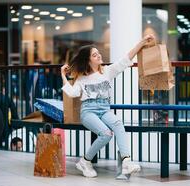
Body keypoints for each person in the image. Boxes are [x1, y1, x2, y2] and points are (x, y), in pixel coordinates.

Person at [61, 34, 155, 178]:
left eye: (98, 53)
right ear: (88, 60)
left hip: (104, 109)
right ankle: (85, 161)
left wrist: (142, 42)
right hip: (88, 111)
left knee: (118, 123)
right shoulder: (81, 78)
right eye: (94, 55)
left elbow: (126, 58)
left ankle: (126, 162)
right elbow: (73, 93)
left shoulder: (107, 71)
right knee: (105, 134)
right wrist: (63, 75)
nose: (98, 56)